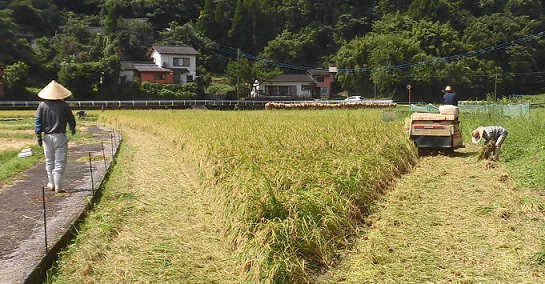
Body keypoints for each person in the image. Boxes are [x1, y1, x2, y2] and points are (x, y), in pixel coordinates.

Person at [35, 80, 76, 193]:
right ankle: (58, 186)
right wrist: (72, 128)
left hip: (47, 137)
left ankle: (51, 184)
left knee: (49, 161)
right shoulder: (64, 105)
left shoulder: (42, 106)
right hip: (60, 136)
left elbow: (38, 121)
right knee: (60, 161)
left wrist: (38, 135)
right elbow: (71, 119)